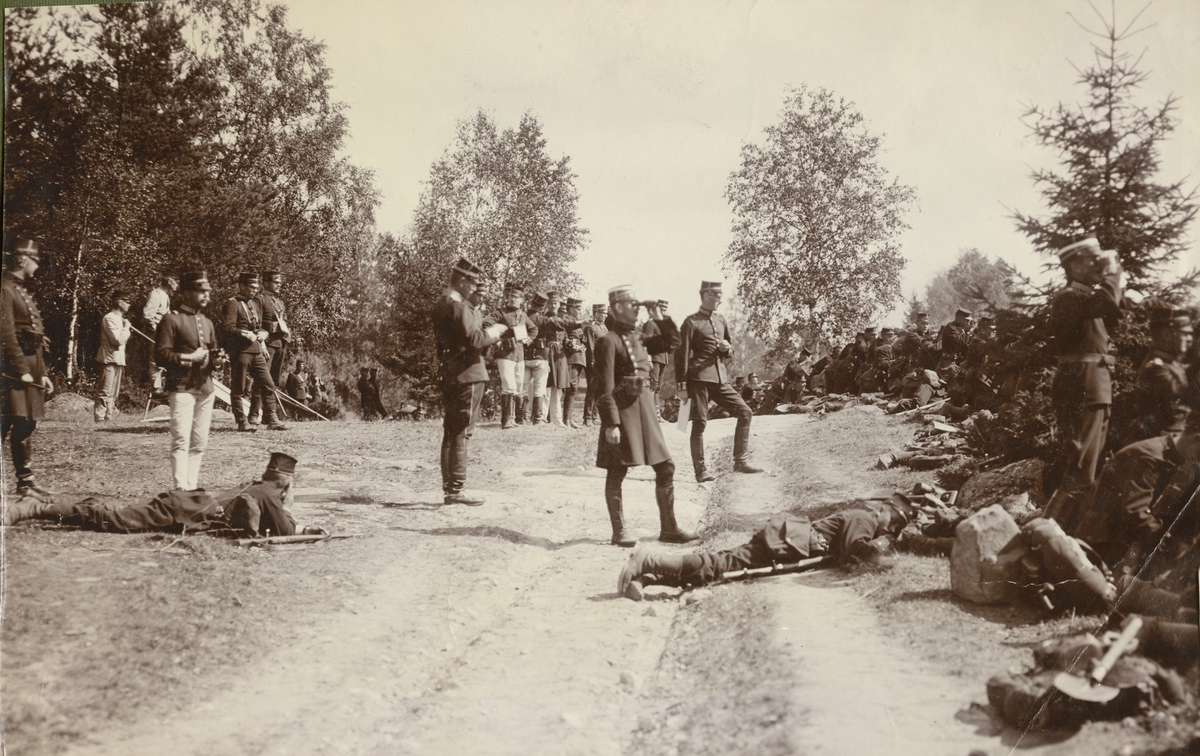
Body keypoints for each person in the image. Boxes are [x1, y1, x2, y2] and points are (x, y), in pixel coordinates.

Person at [617, 497, 916, 600]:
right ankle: (650, 560)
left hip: (787, 541)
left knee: (725, 567)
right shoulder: (864, 518)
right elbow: (859, 549)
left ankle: (650, 577)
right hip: (786, 543)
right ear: (882, 509)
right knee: (723, 566)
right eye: (893, 521)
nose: (892, 529)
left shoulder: (864, 519)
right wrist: (885, 552)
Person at [595, 284, 694, 547]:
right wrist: (611, 423)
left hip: (646, 411)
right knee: (617, 472)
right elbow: (601, 387)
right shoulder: (608, 341)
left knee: (666, 467)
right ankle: (619, 532)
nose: (637, 308)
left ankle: (670, 529)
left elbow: (673, 341)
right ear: (617, 308)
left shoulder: (638, 337)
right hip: (623, 414)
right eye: (632, 304)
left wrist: (659, 315)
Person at [4, 452, 302, 538]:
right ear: (285, 483)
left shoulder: (255, 485)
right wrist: (288, 504)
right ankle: (33, 509)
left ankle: (45, 504)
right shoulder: (269, 495)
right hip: (182, 511)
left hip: (186, 503)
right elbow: (286, 530)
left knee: (114, 512)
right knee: (115, 520)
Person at [1044, 235, 1123, 507]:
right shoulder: (1068, 299)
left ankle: (1068, 530)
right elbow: (1107, 302)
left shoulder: (1086, 299)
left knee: (1088, 466)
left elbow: (1114, 307)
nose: (1098, 266)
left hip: (1094, 385)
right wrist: (1112, 269)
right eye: (1092, 260)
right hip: (1083, 385)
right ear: (1075, 266)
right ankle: (1051, 533)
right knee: (1080, 464)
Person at [433, 257, 504, 506]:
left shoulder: (441, 304)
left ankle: (449, 488)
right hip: (470, 375)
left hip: (451, 374)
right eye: (472, 283)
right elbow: (474, 339)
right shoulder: (460, 307)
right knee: (462, 432)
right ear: (462, 281)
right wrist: (493, 334)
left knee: (450, 432)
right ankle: (456, 490)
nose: (474, 288)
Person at [675, 280, 762, 482]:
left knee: (745, 411)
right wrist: (682, 387)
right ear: (706, 295)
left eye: (721, 296)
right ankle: (701, 471)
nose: (720, 300)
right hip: (698, 380)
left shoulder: (721, 320)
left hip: (720, 379)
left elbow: (728, 351)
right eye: (717, 296)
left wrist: (725, 349)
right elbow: (681, 355)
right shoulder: (691, 322)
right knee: (700, 423)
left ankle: (740, 461)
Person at [156, 271, 226, 492]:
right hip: (181, 387)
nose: (206, 295)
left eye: (208, 291)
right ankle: (180, 489)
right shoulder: (171, 319)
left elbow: (214, 356)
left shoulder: (208, 322)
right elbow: (160, 354)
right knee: (180, 440)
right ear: (186, 293)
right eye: (201, 291)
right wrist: (188, 358)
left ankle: (192, 487)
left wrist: (218, 361)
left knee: (199, 443)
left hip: (205, 388)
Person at [1, 238, 54, 501]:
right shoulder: (5, 290)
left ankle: (26, 483)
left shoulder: (20, 290)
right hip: (11, 369)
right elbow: (7, 334)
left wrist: (41, 372)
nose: (37, 265)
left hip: (30, 369)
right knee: (7, 422)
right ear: (22, 259)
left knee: (26, 423)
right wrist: (21, 368)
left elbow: (36, 337)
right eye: (35, 260)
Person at [222, 272, 287, 432]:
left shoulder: (255, 303)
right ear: (241, 286)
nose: (254, 289)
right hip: (241, 351)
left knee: (268, 384)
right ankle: (242, 421)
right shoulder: (232, 304)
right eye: (251, 286)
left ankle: (272, 419)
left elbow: (262, 326)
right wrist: (244, 333)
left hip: (257, 350)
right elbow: (227, 327)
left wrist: (264, 334)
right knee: (239, 388)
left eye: (256, 286)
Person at [1124, 307, 1191, 446]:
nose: (1190, 339)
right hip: (1161, 440)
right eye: (1185, 334)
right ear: (1167, 335)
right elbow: (1178, 391)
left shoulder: (1171, 364)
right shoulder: (1155, 368)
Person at [490, 282, 537, 429]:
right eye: (510, 297)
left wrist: (528, 340)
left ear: (522, 300)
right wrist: (497, 340)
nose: (512, 299)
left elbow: (534, 329)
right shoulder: (500, 312)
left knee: (518, 386)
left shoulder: (522, 315)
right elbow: (486, 324)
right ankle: (506, 420)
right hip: (505, 355)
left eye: (516, 297)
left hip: (520, 355)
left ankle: (517, 418)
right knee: (508, 386)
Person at [249, 271, 290, 424]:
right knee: (262, 380)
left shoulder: (279, 302)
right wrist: (262, 344)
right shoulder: (259, 299)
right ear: (265, 283)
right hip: (268, 345)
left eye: (280, 281)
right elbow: (256, 323)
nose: (279, 284)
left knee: (274, 380)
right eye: (275, 281)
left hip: (280, 343)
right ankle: (253, 414)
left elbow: (283, 322)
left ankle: (267, 416)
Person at [94, 289, 132, 422]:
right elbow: (116, 340)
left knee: (113, 393)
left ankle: (108, 419)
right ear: (119, 302)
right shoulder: (109, 318)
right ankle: (99, 418)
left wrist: (124, 326)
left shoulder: (119, 319)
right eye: (127, 301)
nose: (129, 304)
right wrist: (126, 328)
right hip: (108, 359)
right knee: (105, 391)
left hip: (118, 359)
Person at [523, 292, 553, 425]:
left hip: (524, 355)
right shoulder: (544, 320)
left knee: (522, 388)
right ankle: (537, 419)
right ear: (543, 306)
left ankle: (521, 417)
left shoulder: (522, 317)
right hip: (541, 357)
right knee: (539, 388)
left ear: (531, 303)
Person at [641, 299, 671, 417]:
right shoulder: (650, 323)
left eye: (665, 309)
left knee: (658, 387)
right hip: (654, 359)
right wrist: (648, 358)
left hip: (663, 358)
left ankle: (657, 415)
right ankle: (650, 415)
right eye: (661, 309)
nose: (663, 312)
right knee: (653, 385)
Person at [561, 297, 588, 428]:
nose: (580, 310)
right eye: (578, 308)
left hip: (578, 358)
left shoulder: (576, 322)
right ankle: (563, 419)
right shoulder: (566, 320)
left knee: (573, 388)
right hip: (571, 357)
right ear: (571, 309)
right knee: (569, 387)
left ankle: (568, 419)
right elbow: (568, 327)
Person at [581, 303, 608, 426]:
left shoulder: (604, 328)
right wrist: (592, 361)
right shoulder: (590, 328)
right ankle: (587, 417)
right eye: (603, 313)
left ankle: (595, 416)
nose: (605, 316)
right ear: (597, 314)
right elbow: (591, 346)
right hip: (594, 363)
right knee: (592, 389)